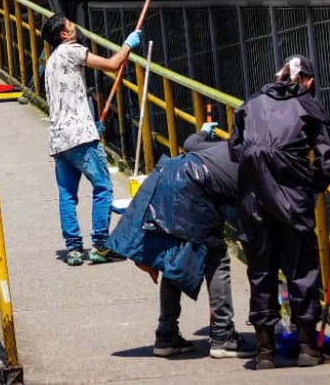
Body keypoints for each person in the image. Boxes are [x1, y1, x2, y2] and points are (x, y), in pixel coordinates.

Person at [106, 124, 256, 359]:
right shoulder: (257, 162)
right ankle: (223, 335)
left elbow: (189, 143)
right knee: (217, 259)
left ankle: (166, 335)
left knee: (174, 262)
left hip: (169, 176)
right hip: (193, 189)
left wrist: (204, 131)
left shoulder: (225, 146)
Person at [229, 55, 330, 369]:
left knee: (261, 272)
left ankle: (265, 352)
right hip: (293, 202)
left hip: (253, 202)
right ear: (309, 80)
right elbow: (328, 157)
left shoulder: (251, 103)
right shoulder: (308, 105)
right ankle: (307, 348)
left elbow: (235, 148)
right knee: (302, 270)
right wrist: (312, 184)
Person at [41, 14, 141, 266]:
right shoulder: (72, 49)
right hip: (81, 137)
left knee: (67, 195)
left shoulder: (51, 61)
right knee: (103, 187)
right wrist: (128, 44)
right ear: (64, 34)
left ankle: (74, 249)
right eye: (70, 24)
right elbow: (112, 64)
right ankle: (100, 246)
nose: (74, 26)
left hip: (59, 138)